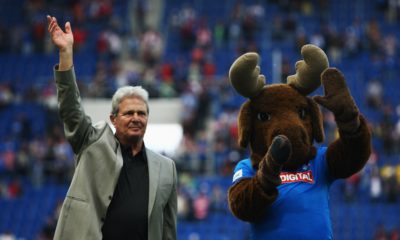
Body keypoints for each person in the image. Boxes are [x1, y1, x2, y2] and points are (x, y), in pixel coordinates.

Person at [46, 15, 177, 240]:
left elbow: (168, 230)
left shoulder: (167, 168)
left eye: (141, 113)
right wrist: (66, 54)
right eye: (128, 113)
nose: (136, 118)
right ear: (113, 119)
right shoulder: (92, 142)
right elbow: (71, 110)